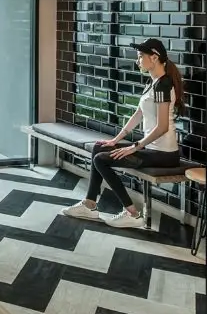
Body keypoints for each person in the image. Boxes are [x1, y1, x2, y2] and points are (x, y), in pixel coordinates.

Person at [62, 38, 185, 228]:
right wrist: (116, 140)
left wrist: (134, 147)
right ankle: (90, 205)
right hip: (151, 149)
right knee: (99, 148)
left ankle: (132, 214)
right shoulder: (152, 82)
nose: (138, 61)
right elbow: (138, 114)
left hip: (164, 154)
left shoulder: (164, 84)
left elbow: (163, 127)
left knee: (101, 159)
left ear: (154, 57)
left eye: (140, 57)